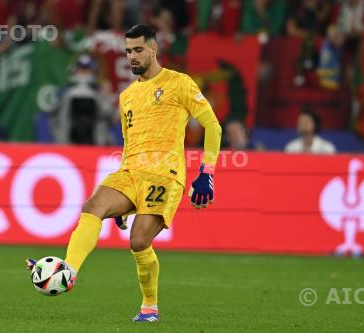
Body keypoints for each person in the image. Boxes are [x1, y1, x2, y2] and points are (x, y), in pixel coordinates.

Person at [27, 24, 222, 322]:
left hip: (164, 175)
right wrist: (124, 201)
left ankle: (149, 306)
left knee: (139, 241)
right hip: (130, 171)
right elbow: (130, 144)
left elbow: (212, 126)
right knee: (92, 206)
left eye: (138, 50)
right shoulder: (127, 96)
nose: (132, 56)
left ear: (154, 49)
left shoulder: (180, 83)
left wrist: (206, 172)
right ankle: (68, 272)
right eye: (128, 50)